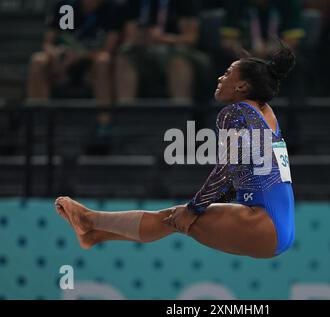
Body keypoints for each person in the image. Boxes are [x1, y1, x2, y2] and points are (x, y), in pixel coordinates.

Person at [55, 44, 296, 259]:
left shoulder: (235, 113)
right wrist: (200, 207)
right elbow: (241, 176)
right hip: (280, 225)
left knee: (174, 218)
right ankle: (95, 233)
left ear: (242, 86)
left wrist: (195, 208)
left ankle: (90, 222)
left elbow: (227, 171)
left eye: (227, 74)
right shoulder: (267, 114)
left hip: (263, 223)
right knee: (173, 219)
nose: (220, 79)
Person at [115, 0, 211, 102]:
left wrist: (162, 38)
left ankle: (181, 112)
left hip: (177, 49)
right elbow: (128, 36)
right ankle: (126, 112)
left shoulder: (184, 3)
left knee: (178, 60)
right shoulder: (137, 3)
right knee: (125, 54)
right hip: (147, 49)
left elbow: (192, 38)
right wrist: (139, 37)